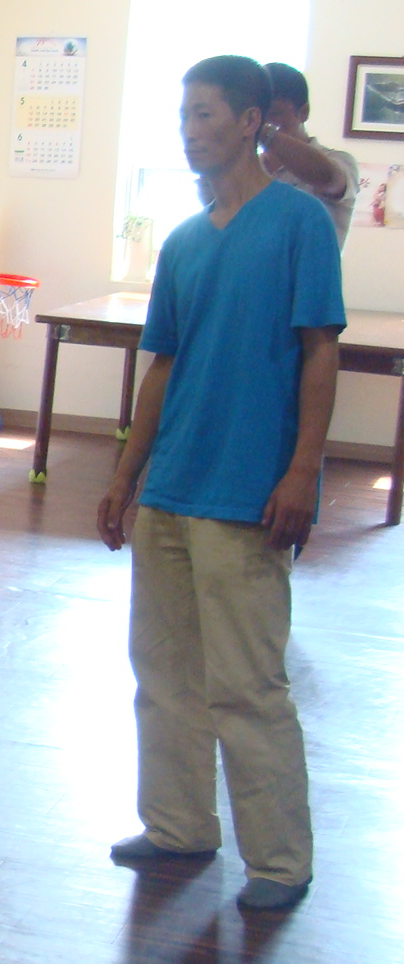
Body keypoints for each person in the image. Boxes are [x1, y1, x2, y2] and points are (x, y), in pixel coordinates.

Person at [99, 54, 343, 914]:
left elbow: (320, 350)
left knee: (246, 683)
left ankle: (279, 860)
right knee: (162, 671)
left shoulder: (299, 224)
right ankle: (177, 824)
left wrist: (303, 470)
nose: (190, 131)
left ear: (249, 123)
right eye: (183, 116)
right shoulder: (184, 241)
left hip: (247, 492)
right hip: (172, 487)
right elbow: (162, 366)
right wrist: (126, 475)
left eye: (205, 114)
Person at [261, 61, 360, 248]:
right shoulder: (246, 168)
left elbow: (328, 179)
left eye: (274, 113)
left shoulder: (339, 160)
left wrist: (263, 132)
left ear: (304, 112)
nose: (266, 121)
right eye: (259, 114)